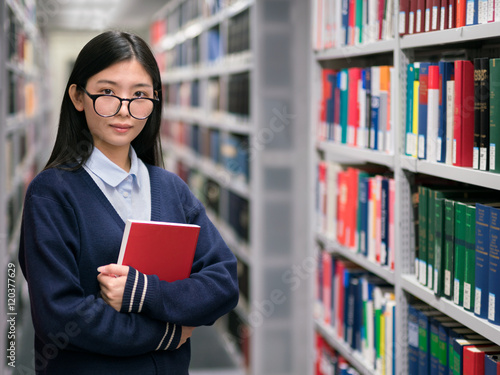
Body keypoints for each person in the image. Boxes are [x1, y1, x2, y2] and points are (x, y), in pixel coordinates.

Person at [18, 31, 239, 375]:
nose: (124, 111)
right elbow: (60, 317)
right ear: (78, 96)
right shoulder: (51, 193)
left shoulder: (170, 188)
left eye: (139, 95)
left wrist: (144, 292)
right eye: (107, 92)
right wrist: (166, 333)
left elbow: (223, 282)